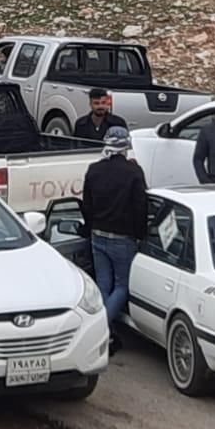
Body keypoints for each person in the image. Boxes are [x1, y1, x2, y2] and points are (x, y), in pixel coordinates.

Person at [81, 126, 149, 350]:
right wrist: (140, 235)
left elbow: (87, 204)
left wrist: (91, 227)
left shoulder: (93, 170)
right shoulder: (133, 173)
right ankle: (98, 330)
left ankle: (102, 330)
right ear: (126, 147)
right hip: (123, 238)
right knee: (122, 286)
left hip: (98, 234)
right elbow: (141, 207)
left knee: (103, 284)